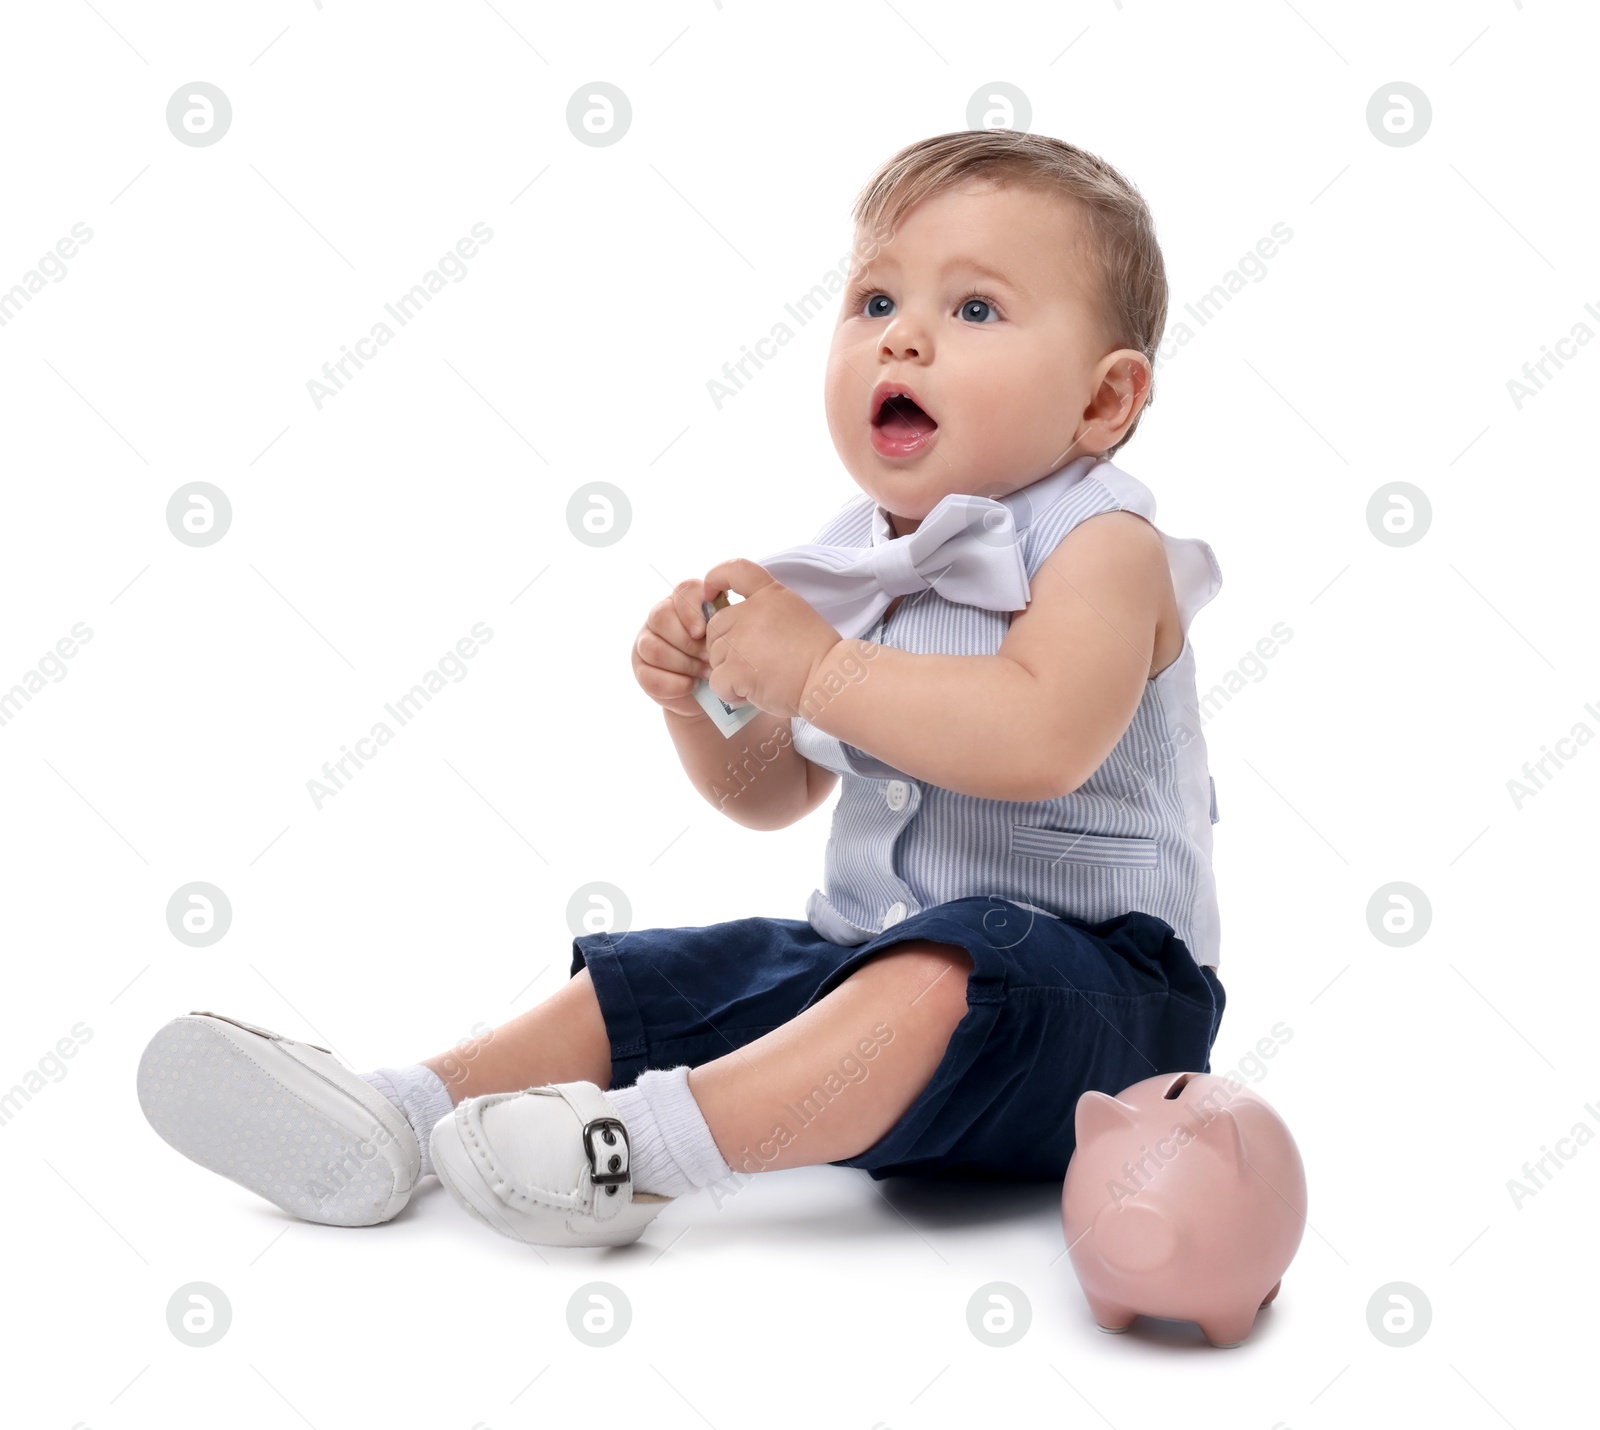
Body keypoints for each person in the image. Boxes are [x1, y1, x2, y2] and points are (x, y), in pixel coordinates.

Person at [137, 129, 1227, 1248]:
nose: (901, 336)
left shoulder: (1105, 548)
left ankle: (629, 1154)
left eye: (976, 310)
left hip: (1106, 1017)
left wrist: (818, 664)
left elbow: (1042, 737)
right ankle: (406, 1107)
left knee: (945, 965)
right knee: (682, 973)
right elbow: (774, 794)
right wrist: (712, 704)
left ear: (1103, 403)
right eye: (873, 300)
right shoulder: (849, 556)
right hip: (874, 976)